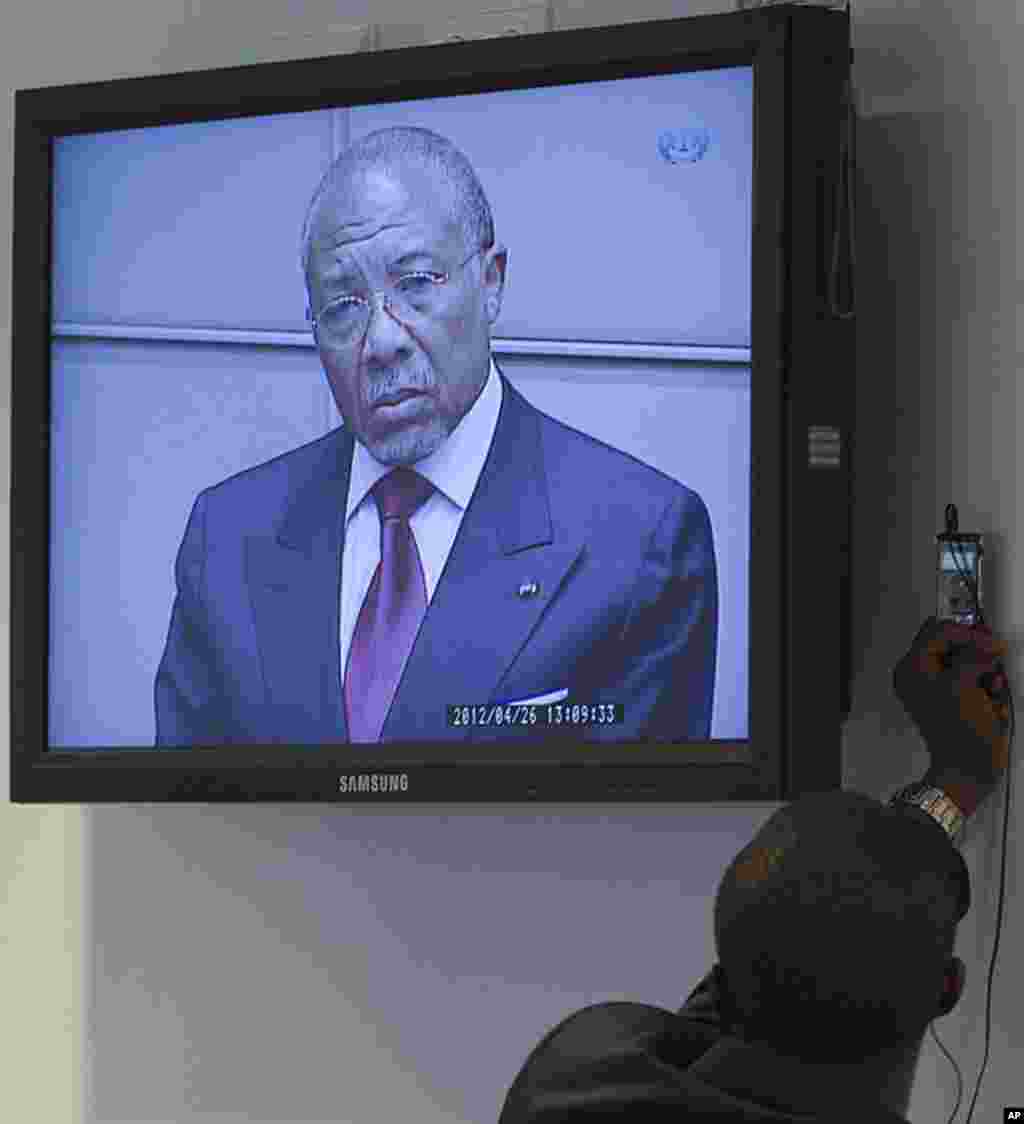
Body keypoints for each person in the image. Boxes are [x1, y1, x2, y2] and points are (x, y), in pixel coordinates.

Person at [154, 126, 718, 746]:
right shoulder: (228, 537)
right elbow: (191, 820)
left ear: (492, 280)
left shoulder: (643, 541)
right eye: (343, 305)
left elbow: (637, 834)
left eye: (416, 283)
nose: (382, 341)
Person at [497, 617, 1012, 1122]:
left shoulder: (576, 1077)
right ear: (948, 988)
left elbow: (799, 926)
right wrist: (955, 783)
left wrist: (950, 788)